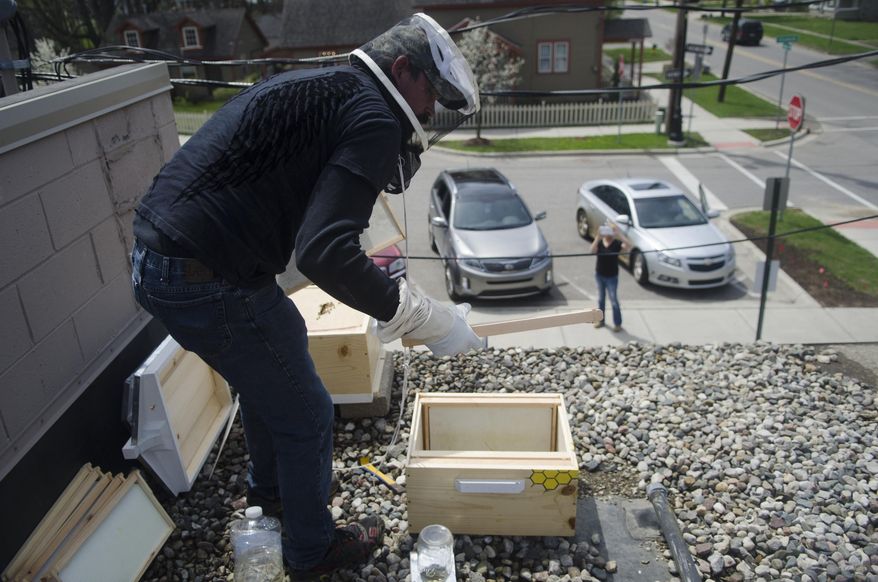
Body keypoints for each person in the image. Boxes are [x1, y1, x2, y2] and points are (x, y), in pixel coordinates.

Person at [129, 14, 482, 579]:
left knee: (278, 356)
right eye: (431, 95)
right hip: (204, 273)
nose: (430, 113)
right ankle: (312, 551)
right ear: (401, 70)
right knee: (308, 411)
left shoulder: (326, 85)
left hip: (163, 259)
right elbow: (326, 251)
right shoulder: (372, 115)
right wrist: (424, 318)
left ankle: (271, 497)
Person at [591, 221, 632, 332]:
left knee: (614, 300)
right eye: (606, 231)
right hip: (599, 275)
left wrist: (619, 234)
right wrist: (598, 237)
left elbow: (628, 246)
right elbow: (592, 250)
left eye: (610, 231)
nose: (608, 234)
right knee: (600, 299)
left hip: (612, 277)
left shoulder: (617, 243)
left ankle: (617, 323)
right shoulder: (600, 242)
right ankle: (601, 320)